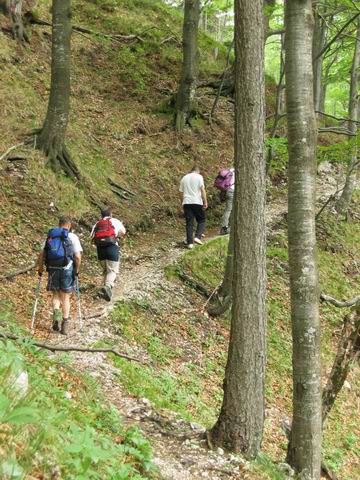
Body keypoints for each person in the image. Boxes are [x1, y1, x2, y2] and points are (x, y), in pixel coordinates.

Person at [38, 215, 82, 335]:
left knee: (56, 295)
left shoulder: (51, 236)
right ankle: (65, 325)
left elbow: (41, 254)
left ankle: (56, 317)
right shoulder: (72, 237)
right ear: (69, 225)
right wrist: (77, 270)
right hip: (67, 269)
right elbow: (77, 257)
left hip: (52, 269)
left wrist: (41, 268)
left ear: (59, 224)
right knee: (65, 297)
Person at [91, 207, 126, 301]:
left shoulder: (97, 224)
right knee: (112, 271)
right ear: (110, 214)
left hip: (100, 250)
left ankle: (101, 292)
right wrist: (117, 236)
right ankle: (107, 287)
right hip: (112, 248)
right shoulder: (114, 221)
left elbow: (92, 237)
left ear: (101, 215)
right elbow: (123, 232)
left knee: (106, 271)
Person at [179, 166, 208, 249]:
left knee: (189, 223)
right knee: (201, 220)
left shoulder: (184, 178)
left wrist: (182, 202)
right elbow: (202, 190)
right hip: (197, 202)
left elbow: (180, 192)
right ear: (198, 171)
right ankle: (197, 237)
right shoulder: (199, 177)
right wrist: (205, 201)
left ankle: (190, 243)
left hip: (187, 202)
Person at [220, 167, 235, 235]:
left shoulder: (230, 170)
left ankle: (227, 226)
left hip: (228, 191)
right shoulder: (239, 171)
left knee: (229, 209)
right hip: (233, 191)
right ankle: (224, 228)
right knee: (229, 210)